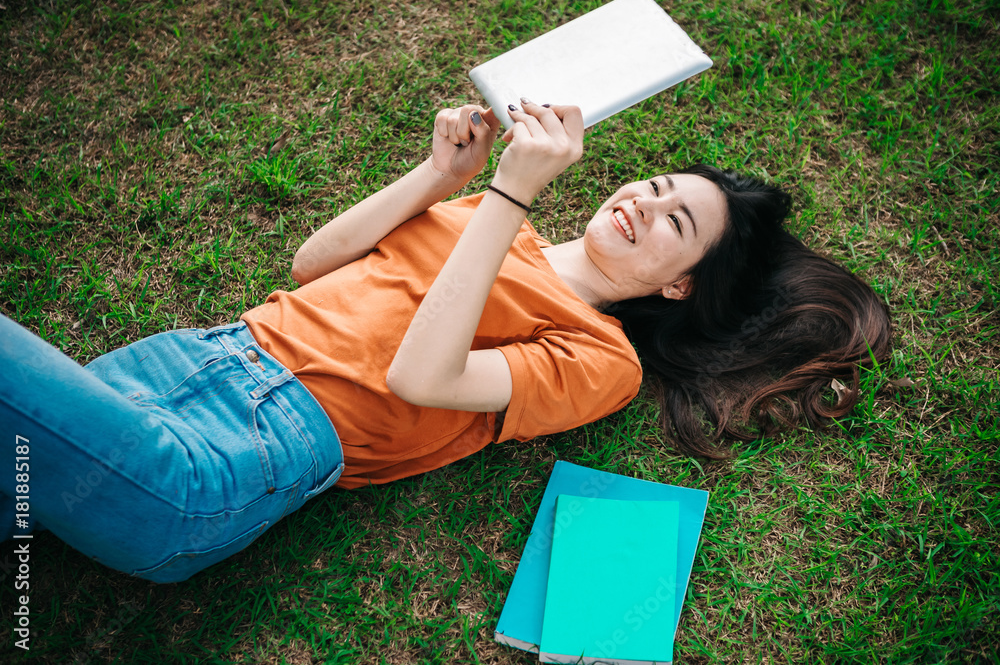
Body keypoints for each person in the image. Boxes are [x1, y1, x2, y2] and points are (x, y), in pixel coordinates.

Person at [0, 100, 890, 583]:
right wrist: (440, 177)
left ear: (677, 284)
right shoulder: (486, 211)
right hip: (199, 354)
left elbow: (422, 374)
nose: (644, 203)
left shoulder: (602, 358)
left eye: (675, 222)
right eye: (654, 184)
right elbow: (316, 262)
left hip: (241, 454)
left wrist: (507, 199)